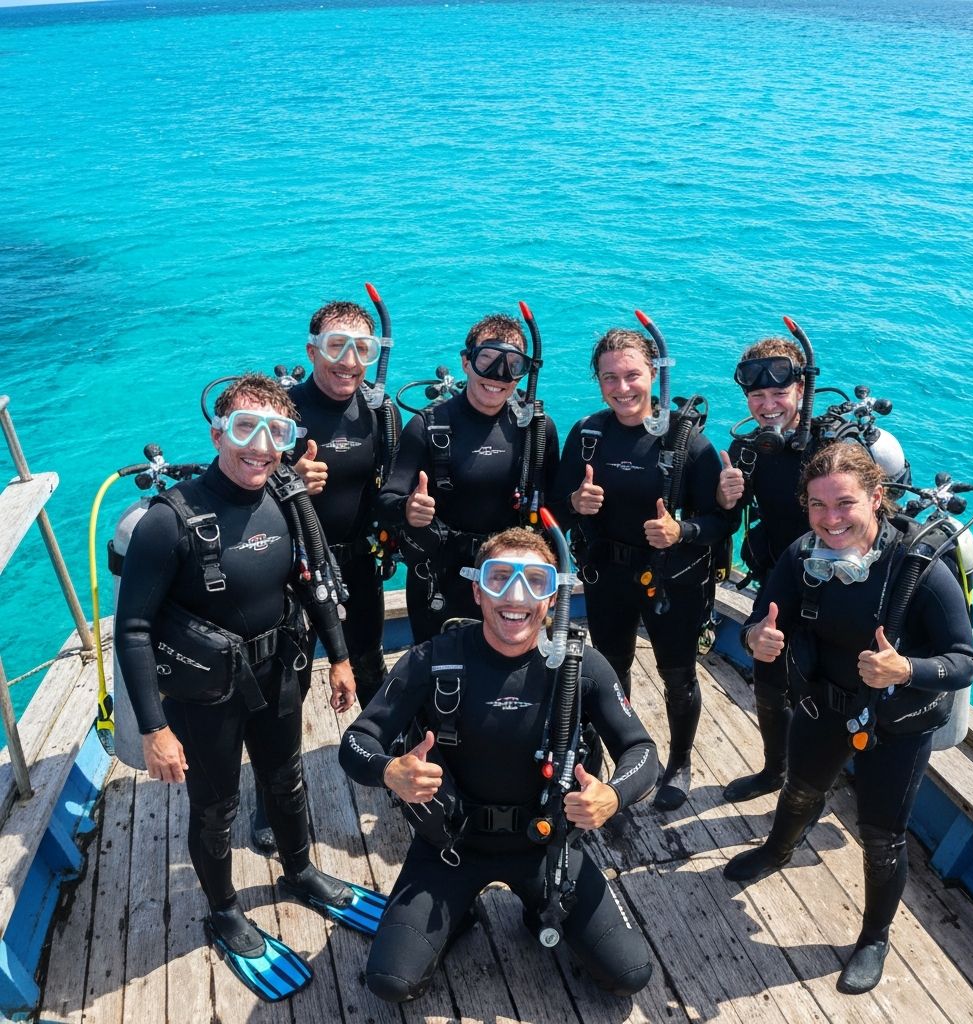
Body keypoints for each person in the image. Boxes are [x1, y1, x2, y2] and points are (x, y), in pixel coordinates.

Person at [114, 373, 385, 1002]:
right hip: (205, 695)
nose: (261, 447)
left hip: (278, 672)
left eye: (277, 432)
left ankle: (299, 872)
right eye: (245, 429)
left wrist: (341, 659)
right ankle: (225, 910)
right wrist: (155, 729)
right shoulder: (168, 522)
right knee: (216, 808)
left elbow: (315, 581)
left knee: (285, 779)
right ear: (217, 433)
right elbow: (131, 630)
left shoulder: (287, 498)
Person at [339, 526, 657, 1003]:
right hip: (451, 846)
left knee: (629, 973)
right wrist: (390, 771)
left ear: (553, 596)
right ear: (477, 589)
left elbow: (642, 751)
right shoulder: (433, 660)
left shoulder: (582, 667)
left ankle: (536, 909)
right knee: (392, 982)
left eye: (536, 582)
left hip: (546, 850)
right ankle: (459, 910)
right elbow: (356, 741)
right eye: (500, 578)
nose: (516, 596)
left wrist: (612, 796)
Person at [722, 442, 973, 995]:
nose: (831, 520)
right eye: (817, 506)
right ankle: (778, 850)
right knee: (799, 790)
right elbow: (762, 616)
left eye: (845, 504)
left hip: (897, 721)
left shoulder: (919, 569)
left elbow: (963, 662)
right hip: (825, 705)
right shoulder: (800, 556)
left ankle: (874, 937)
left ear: (876, 498)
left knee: (882, 837)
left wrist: (906, 668)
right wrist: (756, 638)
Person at [241, 299, 402, 852]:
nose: (350, 360)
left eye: (364, 348)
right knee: (287, 683)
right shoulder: (287, 413)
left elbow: (392, 483)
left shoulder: (380, 411)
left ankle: (390, 763)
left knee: (369, 663)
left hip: (356, 563)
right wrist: (285, 478)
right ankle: (270, 795)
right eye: (337, 346)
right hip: (292, 571)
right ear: (312, 351)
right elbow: (240, 480)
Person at [552, 327, 728, 811]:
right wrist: (574, 503)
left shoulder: (687, 441)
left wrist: (681, 534)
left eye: (633, 375)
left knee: (678, 675)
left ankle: (681, 761)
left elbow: (724, 520)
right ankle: (623, 756)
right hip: (608, 576)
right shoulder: (588, 435)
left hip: (673, 579)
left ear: (654, 374)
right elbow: (552, 511)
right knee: (613, 671)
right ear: (598, 381)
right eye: (610, 378)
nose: (622, 387)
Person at [375, 312, 559, 643]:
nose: (498, 375)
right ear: (465, 362)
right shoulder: (427, 427)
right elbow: (386, 500)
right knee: (440, 675)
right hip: (441, 578)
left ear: (523, 373)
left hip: (510, 579)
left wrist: (575, 501)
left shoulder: (537, 430)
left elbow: (554, 508)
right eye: (486, 359)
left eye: (512, 365)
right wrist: (408, 507)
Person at [716, 337, 812, 802]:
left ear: (800, 389)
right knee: (769, 679)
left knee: (822, 690)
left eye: (778, 395)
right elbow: (732, 520)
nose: (768, 406)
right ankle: (776, 770)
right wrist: (725, 496)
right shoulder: (750, 450)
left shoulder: (833, 447)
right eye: (757, 397)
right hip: (778, 579)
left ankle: (807, 787)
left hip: (837, 587)